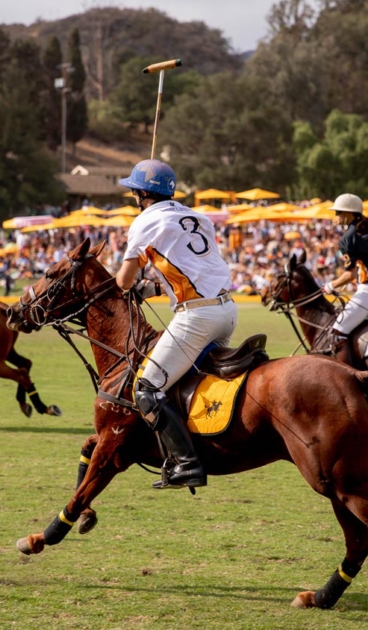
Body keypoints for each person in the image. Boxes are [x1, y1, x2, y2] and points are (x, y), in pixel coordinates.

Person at [114, 159, 237, 490]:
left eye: (134, 192)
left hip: (197, 316)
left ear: (142, 193)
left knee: (147, 388)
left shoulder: (144, 222)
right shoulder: (198, 217)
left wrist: (134, 280)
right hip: (228, 312)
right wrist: (154, 286)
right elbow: (192, 269)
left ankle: (188, 463)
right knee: (191, 382)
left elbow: (123, 282)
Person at [323, 193, 368, 353]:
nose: (335, 216)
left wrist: (329, 286)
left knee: (336, 334)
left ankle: (346, 375)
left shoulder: (348, 238)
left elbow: (349, 276)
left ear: (349, 213)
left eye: (338, 212)